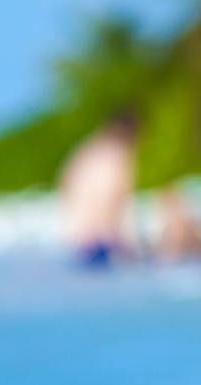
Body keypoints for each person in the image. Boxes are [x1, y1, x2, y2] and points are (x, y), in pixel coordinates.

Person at [57, 112, 139, 269]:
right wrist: (123, 239)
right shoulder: (118, 155)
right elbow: (113, 199)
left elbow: (65, 182)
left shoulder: (88, 148)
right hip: (100, 237)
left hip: (80, 234)